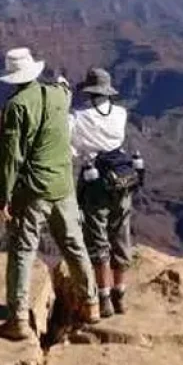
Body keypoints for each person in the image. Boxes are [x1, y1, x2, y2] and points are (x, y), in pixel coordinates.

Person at [0, 47, 100, 341]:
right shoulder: (58, 95)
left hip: (34, 190)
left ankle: (18, 320)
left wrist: (0, 196)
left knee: (23, 251)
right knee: (74, 245)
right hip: (63, 186)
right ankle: (91, 304)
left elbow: (9, 156)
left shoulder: (16, 106)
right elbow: (66, 90)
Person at [70, 68, 135, 318]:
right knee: (121, 234)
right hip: (122, 180)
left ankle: (104, 297)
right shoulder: (121, 112)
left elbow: (73, 148)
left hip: (95, 181)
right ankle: (121, 296)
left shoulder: (78, 116)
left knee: (98, 238)